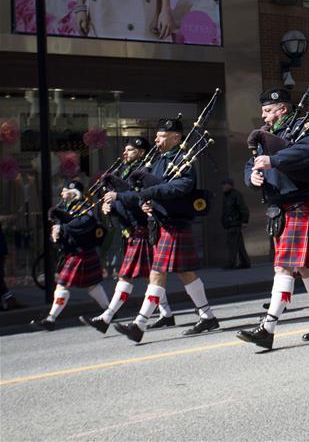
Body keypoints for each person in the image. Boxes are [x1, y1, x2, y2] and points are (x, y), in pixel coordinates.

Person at [237, 89, 309, 350]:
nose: (263, 115)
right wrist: (252, 177)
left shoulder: (303, 127)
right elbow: (251, 164)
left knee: (284, 267)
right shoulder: (264, 135)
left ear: (282, 108)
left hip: (299, 201)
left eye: (268, 109)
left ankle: (267, 327)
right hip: (279, 208)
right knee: (307, 268)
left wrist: (273, 160)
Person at [111, 117, 219, 342]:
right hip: (161, 223)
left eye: (161, 136)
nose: (156, 140)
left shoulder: (183, 160)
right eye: (157, 135)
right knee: (185, 272)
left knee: (157, 272)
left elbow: (181, 186)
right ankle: (207, 316)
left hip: (175, 223)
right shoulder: (161, 161)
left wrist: (152, 194)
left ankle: (139, 324)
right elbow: (154, 187)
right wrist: (146, 201)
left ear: (176, 137)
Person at [83, 137, 175, 333]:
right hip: (132, 230)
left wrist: (118, 197)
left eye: (130, 150)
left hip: (143, 228)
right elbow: (125, 202)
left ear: (141, 152)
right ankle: (166, 314)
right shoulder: (123, 171)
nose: (125, 153)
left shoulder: (144, 170)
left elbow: (140, 197)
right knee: (153, 276)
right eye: (125, 149)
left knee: (127, 275)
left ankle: (106, 317)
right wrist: (111, 207)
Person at [30, 181, 110, 330]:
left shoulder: (84, 207)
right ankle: (109, 311)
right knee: (92, 285)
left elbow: (86, 223)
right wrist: (56, 232)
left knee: (63, 285)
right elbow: (60, 224)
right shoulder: (66, 207)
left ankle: (51, 318)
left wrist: (63, 228)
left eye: (64, 190)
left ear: (73, 193)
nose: (61, 193)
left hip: (82, 252)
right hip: (73, 253)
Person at [221, 177, 251, 269]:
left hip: (235, 223)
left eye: (225, 184)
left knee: (232, 245)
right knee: (238, 244)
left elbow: (243, 208)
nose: (223, 187)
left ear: (230, 185)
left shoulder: (235, 195)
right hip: (230, 224)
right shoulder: (226, 196)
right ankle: (245, 262)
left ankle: (231, 263)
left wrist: (244, 221)